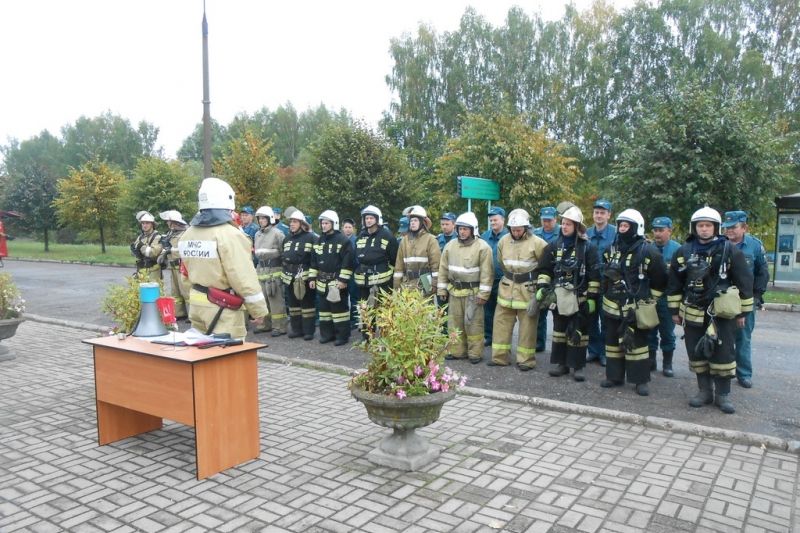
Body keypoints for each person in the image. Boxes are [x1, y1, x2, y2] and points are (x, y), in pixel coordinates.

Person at [668, 207, 753, 414]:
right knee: (697, 351)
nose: (704, 229)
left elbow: (745, 282)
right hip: (693, 310)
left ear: (715, 228)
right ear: (694, 227)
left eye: (708, 226)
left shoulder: (729, 250)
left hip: (722, 313)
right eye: (700, 225)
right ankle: (704, 391)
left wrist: (742, 313)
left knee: (723, 353)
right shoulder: (684, 251)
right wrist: (674, 310)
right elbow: (674, 283)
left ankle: (722, 396)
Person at [177, 177, 268, 339]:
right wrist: (258, 310)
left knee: (203, 357)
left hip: (197, 306)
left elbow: (184, 275)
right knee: (229, 359)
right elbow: (242, 276)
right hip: (223, 308)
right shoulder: (230, 235)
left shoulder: (187, 234)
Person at [600, 209, 668, 397]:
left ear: (636, 228)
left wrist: (649, 301)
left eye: (626, 226)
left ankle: (640, 381)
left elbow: (661, 279)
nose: (622, 229)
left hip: (636, 309)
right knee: (612, 343)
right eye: (620, 225)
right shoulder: (610, 250)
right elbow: (603, 277)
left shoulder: (648, 251)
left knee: (638, 345)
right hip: (612, 306)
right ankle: (614, 377)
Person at [538, 206, 601, 381]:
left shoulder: (588, 248)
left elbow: (594, 275)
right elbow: (544, 269)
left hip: (579, 296)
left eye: (568, 224)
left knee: (578, 332)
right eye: (563, 223)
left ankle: (578, 366)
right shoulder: (553, 246)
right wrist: (542, 288)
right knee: (559, 331)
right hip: (559, 297)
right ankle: (562, 364)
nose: (564, 227)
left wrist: (592, 298)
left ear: (577, 227)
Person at [489, 209, 548, 370]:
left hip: (527, 290)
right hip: (507, 288)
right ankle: (499, 357)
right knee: (501, 324)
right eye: (513, 229)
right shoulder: (503, 241)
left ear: (526, 228)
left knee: (527, 328)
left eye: (519, 229)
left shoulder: (538, 243)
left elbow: (546, 266)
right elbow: (500, 263)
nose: (516, 232)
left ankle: (525, 360)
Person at [722, 210, 769, 389]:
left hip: (745, 300)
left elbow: (762, 273)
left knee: (743, 338)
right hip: (722, 300)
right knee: (721, 337)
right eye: (727, 227)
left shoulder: (755, 246)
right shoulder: (720, 244)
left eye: (733, 227)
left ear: (744, 227)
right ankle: (724, 371)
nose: (729, 231)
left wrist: (756, 297)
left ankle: (744, 374)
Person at [439, 212, 494, 363]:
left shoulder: (483, 247)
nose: (462, 232)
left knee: (473, 325)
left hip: (473, 293)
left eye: (465, 229)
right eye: (460, 229)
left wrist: (483, 294)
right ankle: (457, 351)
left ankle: (475, 353)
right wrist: (442, 290)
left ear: (473, 230)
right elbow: (443, 269)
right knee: (454, 323)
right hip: (454, 292)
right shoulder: (450, 246)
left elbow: (487, 273)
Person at [309, 210, 354, 346]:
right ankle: (327, 335)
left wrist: (343, 280)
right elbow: (314, 261)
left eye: (326, 223)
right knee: (324, 312)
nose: (323, 226)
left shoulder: (343, 241)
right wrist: (312, 278)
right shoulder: (318, 240)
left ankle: (342, 336)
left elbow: (348, 262)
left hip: (336, 282)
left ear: (334, 223)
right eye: (322, 223)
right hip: (322, 282)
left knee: (339, 311)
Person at [354, 205, 398, 339]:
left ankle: (386, 337)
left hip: (382, 281)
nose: (368, 221)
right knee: (365, 309)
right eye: (366, 218)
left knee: (384, 309)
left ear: (378, 219)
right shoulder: (361, 236)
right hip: (363, 281)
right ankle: (367, 337)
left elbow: (394, 258)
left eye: (371, 218)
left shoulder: (387, 236)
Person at [647, 216, 681, 377]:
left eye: (661, 230)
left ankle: (667, 363)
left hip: (667, 299)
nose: (657, 234)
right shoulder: (647, 248)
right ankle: (651, 360)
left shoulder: (677, 250)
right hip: (650, 298)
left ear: (670, 231)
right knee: (650, 331)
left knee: (667, 333)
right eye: (655, 230)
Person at [586, 198, 616, 366]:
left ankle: (605, 352)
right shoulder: (586, 233)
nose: (599, 215)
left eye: (602, 213)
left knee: (606, 320)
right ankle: (593, 351)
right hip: (590, 282)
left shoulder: (616, 234)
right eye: (596, 212)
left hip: (608, 284)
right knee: (590, 317)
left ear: (609, 215)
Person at [281, 209, 317, 340]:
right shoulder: (287, 238)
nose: (291, 224)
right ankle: (296, 329)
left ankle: (308, 331)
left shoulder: (311, 238)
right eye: (290, 221)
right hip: (289, 276)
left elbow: (315, 259)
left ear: (302, 223)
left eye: (294, 221)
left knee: (307, 305)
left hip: (304, 276)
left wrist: (312, 276)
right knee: (293, 305)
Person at [253, 206, 287, 336]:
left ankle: (280, 327)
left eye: (263, 218)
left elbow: (283, 253)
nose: (261, 220)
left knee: (276, 300)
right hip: (261, 270)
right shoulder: (257, 234)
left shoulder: (278, 233)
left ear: (270, 219)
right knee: (262, 299)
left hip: (274, 270)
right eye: (259, 218)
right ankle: (264, 324)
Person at [394, 206, 440, 295]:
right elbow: (398, 267)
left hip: (425, 286)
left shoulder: (431, 240)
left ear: (423, 222)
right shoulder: (404, 241)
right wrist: (397, 288)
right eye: (411, 221)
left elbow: (436, 266)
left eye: (415, 220)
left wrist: (434, 286)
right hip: (407, 286)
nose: (412, 223)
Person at [533, 206, 561, 352]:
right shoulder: (536, 233)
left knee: (559, 313)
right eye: (544, 220)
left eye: (549, 220)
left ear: (555, 219)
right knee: (541, 311)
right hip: (542, 274)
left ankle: (559, 345)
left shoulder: (562, 232)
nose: (546, 223)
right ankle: (539, 342)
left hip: (558, 275)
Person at [481, 206, 508, 347]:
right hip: (487, 279)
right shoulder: (484, 236)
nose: (492, 222)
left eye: (495, 220)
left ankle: (500, 338)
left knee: (503, 312)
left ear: (503, 220)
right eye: (491, 220)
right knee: (488, 311)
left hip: (503, 279)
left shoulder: (509, 236)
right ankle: (489, 336)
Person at [157, 210, 190, 319]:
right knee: (175, 291)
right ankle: (180, 313)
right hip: (173, 266)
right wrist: (163, 254)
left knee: (186, 292)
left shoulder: (186, 233)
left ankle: (192, 315)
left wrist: (170, 250)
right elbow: (167, 248)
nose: (167, 223)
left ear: (174, 222)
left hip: (182, 267)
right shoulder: (171, 233)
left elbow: (184, 250)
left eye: (168, 221)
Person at [130, 211, 163, 281]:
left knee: (153, 291)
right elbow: (135, 253)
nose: (144, 225)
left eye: (147, 223)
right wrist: (134, 251)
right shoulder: (140, 237)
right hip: (141, 269)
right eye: (143, 223)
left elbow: (153, 253)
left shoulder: (157, 237)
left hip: (153, 271)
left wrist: (141, 246)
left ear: (152, 224)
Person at [342, 217, 360, 329]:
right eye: (345, 227)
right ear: (342, 228)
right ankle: (344, 318)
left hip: (353, 272)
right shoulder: (339, 240)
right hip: (342, 272)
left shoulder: (356, 240)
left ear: (353, 229)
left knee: (354, 296)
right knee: (343, 296)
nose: (347, 229)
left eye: (349, 227)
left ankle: (354, 319)